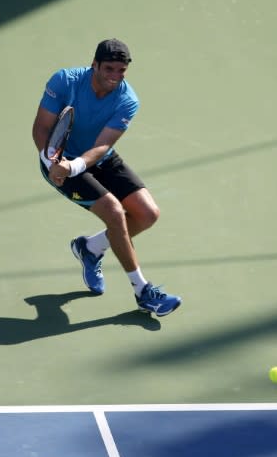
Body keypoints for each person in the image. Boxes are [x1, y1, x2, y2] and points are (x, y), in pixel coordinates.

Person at [31, 38, 181, 317]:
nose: (115, 77)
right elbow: (41, 128)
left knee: (148, 214)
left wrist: (74, 167)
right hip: (55, 160)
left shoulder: (127, 100)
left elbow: (102, 146)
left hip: (93, 160)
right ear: (94, 65)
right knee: (115, 213)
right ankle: (143, 292)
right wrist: (50, 160)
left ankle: (90, 248)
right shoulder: (64, 81)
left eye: (121, 71)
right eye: (109, 69)